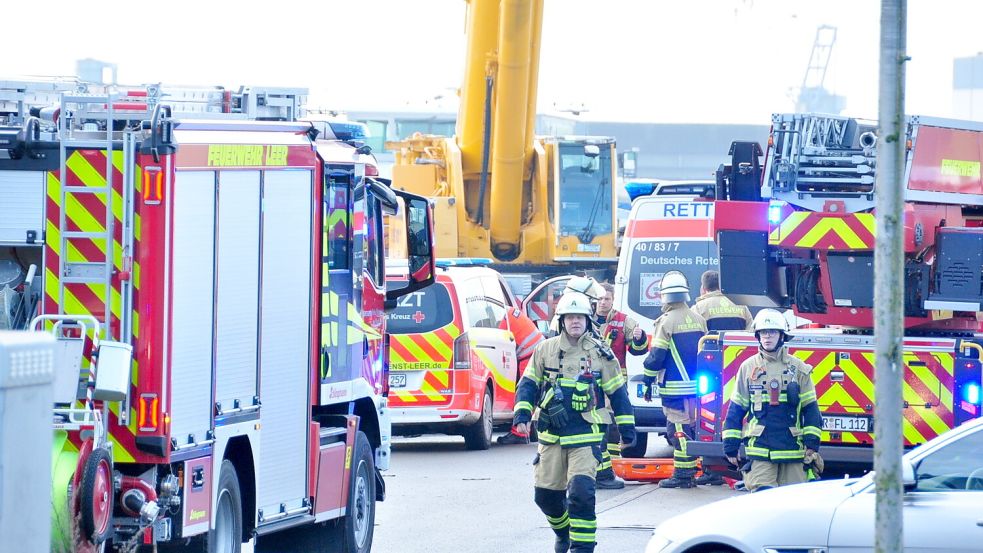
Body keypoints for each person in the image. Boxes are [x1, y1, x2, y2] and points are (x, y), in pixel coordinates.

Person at [513, 293, 636, 553]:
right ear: (562, 321)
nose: (575, 322)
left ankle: (582, 547)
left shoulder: (601, 354)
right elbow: (528, 384)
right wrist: (522, 415)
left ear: (588, 321)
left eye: (580, 317)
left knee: (581, 493)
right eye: (570, 317)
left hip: (586, 434)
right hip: (552, 435)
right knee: (545, 496)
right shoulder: (545, 349)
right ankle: (564, 532)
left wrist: (627, 430)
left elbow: (617, 393)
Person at [722, 309, 822, 492]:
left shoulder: (799, 369)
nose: (767, 336)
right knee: (763, 496)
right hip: (760, 449)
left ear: (782, 335)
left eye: (773, 332)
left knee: (794, 498)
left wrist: (812, 442)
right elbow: (736, 409)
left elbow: (811, 409)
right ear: (758, 336)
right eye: (763, 332)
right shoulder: (748, 368)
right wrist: (730, 445)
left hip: (792, 447)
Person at [641, 271, 707, 489]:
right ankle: (705, 469)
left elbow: (656, 357)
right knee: (697, 428)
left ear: (664, 296)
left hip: (674, 390)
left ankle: (683, 475)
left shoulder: (666, 321)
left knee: (677, 430)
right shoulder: (698, 319)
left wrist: (648, 380)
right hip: (698, 390)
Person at [689, 270, 752, 486]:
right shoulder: (740, 305)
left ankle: (713, 469)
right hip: (739, 368)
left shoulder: (699, 308)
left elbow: (695, 337)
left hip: (712, 370)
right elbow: (752, 333)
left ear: (703, 287)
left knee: (709, 418)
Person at [592, 282, 648, 488]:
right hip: (590, 381)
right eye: (600, 298)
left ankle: (613, 465)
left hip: (615, 381)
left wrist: (639, 338)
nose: (603, 302)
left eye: (607, 299)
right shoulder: (585, 318)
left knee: (613, 424)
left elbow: (639, 349)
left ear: (613, 300)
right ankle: (600, 465)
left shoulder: (624, 321)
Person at [497, 306, 547, 445]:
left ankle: (518, 433)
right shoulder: (507, 311)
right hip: (535, 351)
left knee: (525, 393)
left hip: (529, 354)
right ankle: (530, 431)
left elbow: (497, 344)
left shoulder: (498, 317)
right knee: (532, 393)